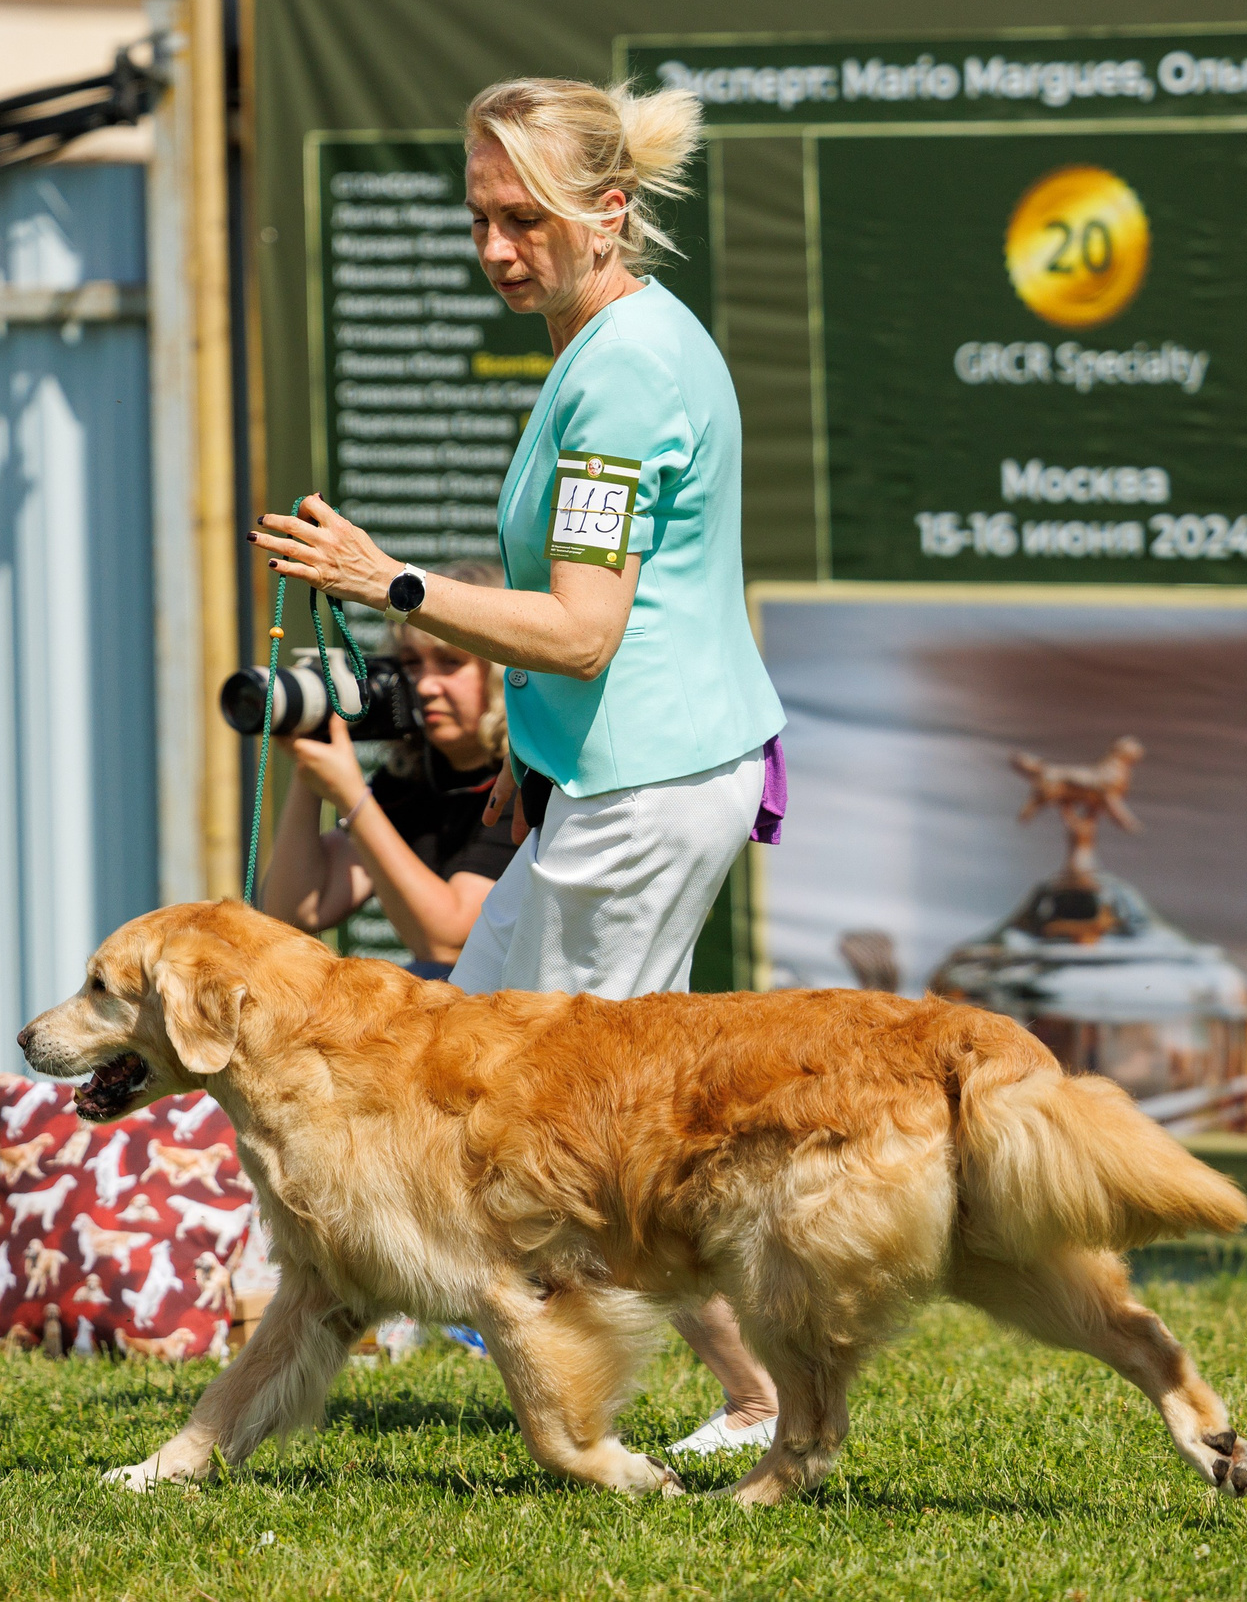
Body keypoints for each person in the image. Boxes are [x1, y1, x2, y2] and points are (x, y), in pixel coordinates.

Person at [249, 75, 788, 1458]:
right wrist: (529, 758)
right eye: (481, 217)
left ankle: (729, 1401)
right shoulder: (606, 344)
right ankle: (330, 1333)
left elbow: (586, 630)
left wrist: (389, 579)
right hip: (607, 780)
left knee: (567, 1126)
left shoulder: (623, 375)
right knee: (469, 1065)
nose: (496, 247)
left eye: (524, 219)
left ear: (607, 212)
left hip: (644, 791)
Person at [259, 561, 517, 979]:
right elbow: (295, 912)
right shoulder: (414, 776)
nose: (426, 686)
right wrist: (312, 755)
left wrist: (352, 796)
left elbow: (448, 942)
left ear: (503, 667)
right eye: (411, 663)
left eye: (450, 662)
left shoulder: (525, 779)